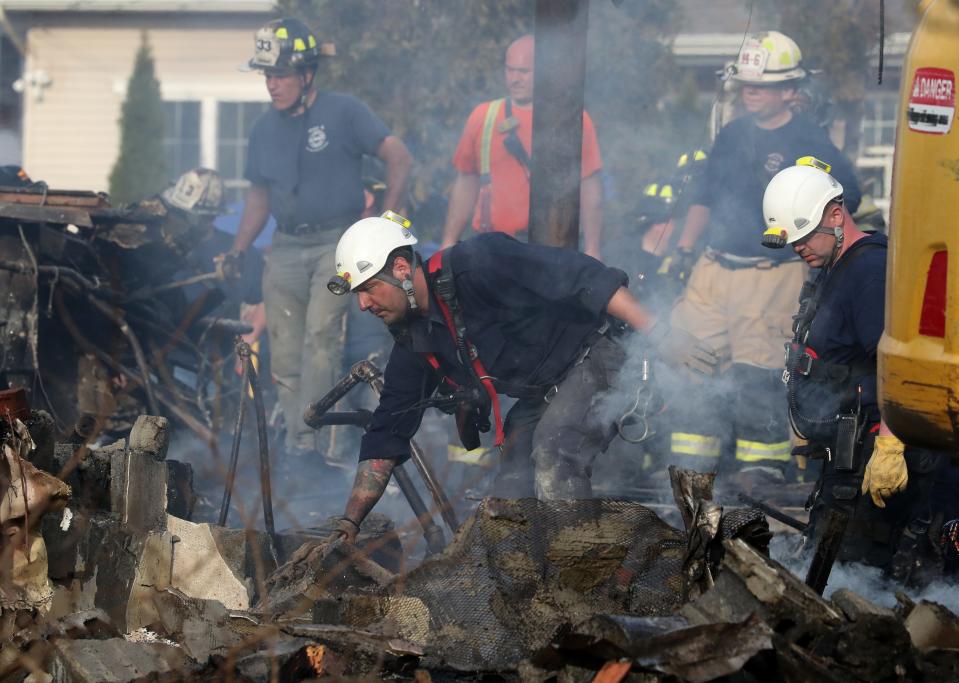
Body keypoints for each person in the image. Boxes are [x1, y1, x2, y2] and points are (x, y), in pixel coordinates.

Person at [322, 211, 719, 543]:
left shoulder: (480, 263)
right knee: (511, 493)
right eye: (357, 294)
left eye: (369, 288)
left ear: (402, 268)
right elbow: (388, 429)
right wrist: (349, 523)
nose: (362, 304)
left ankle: (581, 576)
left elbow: (584, 277)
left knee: (554, 450)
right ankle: (528, 588)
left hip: (599, 352)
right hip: (544, 389)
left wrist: (662, 334)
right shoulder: (414, 338)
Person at [664, 31, 862, 479]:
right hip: (713, 270)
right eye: (747, 84)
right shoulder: (733, 133)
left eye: (764, 84)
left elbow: (843, 199)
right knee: (693, 367)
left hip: (771, 275)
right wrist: (682, 251)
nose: (750, 91)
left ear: (791, 90)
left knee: (758, 375)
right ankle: (690, 474)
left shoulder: (810, 141)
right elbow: (705, 194)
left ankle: (762, 478)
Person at [226, 18, 412, 466]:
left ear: (307, 73)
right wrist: (238, 248)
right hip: (285, 247)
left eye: (281, 75)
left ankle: (325, 442)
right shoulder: (262, 130)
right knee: (285, 350)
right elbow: (258, 198)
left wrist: (390, 221)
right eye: (267, 75)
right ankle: (299, 446)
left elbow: (398, 157)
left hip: (337, 244)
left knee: (320, 337)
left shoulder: (344, 111)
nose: (272, 84)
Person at [762, 161, 950, 582]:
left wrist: (890, 443)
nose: (799, 248)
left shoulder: (868, 273)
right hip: (848, 455)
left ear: (835, 214)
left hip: (876, 454)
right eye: (792, 241)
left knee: (855, 574)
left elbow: (898, 362)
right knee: (832, 566)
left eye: (805, 235)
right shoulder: (833, 267)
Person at [439, 34, 603, 259]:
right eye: (510, 70)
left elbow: (589, 186)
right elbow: (466, 181)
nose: (515, 79)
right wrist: (448, 242)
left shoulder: (573, 120)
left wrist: (593, 249)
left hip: (547, 253)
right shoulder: (483, 117)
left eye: (523, 72)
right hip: (488, 250)